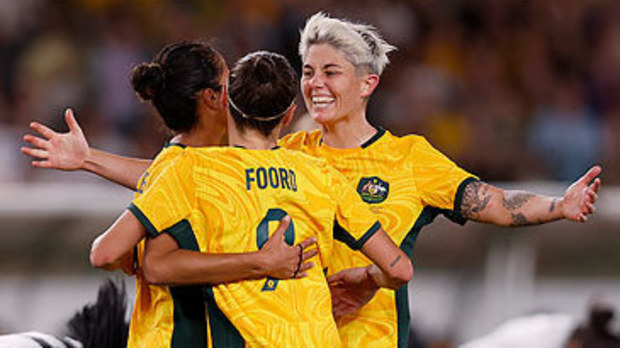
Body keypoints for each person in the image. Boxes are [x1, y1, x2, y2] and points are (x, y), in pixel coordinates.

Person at [22, 13, 602, 348]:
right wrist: (92, 159)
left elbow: (492, 203)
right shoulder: (294, 154)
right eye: (306, 71)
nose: (315, 84)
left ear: (367, 84)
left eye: (331, 71)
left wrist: (559, 203)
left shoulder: (410, 159)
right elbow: (181, 183)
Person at [108, 50, 413, 347]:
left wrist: (88, 160)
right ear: (290, 114)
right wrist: (367, 279)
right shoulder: (321, 174)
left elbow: (141, 259)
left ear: (227, 102)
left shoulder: (197, 172)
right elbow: (399, 269)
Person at [23, 41, 318, 348]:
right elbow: (106, 252)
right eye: (229, 81)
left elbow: (168, 183)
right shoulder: (182, 169)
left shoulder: (203, 166)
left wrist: (89, 159)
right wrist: (259, 262)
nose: (237, 91)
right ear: (212, 98)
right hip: (173, 337)